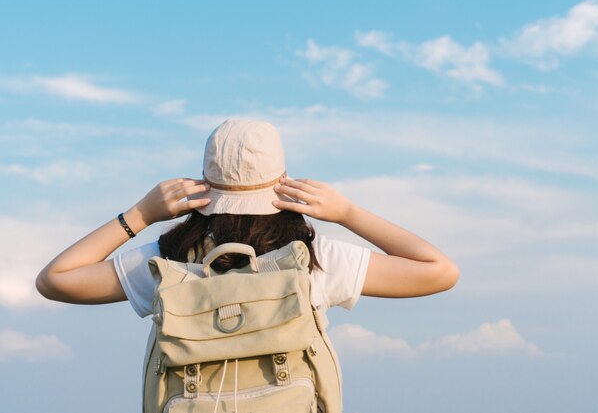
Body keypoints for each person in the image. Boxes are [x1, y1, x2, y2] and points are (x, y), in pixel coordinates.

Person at [36, 118, 459, 328]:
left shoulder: (169, 264)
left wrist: (140, 214)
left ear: (204, 184)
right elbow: (440, 272)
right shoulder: (315, 260)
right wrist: (348, 213)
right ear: (283, 183)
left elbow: (54, 280)